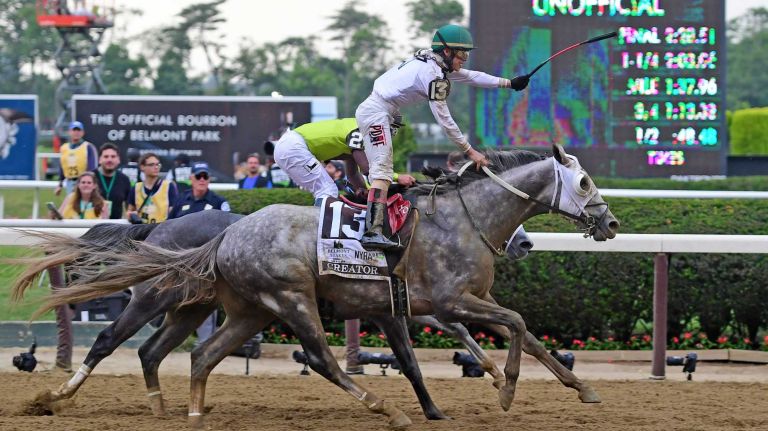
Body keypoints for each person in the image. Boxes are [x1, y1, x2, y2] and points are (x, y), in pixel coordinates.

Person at [355, 24, 528, 249]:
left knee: (384, 171)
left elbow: (471, 76)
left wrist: (508, 83)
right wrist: (470, 151)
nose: (465, 59)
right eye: (462, 53)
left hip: (382, 110)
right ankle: (372, 231)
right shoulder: (431, 73)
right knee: (382, 172)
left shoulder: (432, 62)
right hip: (376, 112)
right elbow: (445, 119)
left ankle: (379, 225)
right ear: (447, 52)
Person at [272, 117, 415, 206]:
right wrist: (398, 177)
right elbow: (367, 169)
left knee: (324, 190)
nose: (391, 136)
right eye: (391, 131)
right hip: (293, 146)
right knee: (327, 190)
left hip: (289, 146)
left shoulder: (359, 135)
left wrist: (364, 190)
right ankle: (318, 233)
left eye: (394, 132)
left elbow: (353, 174)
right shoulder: (358, 130)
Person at [47, 171, 108, 371]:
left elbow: (106, 227)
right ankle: (71, 309)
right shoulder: (70, 199)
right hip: (72, 252)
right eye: (83, 182)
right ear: (78, 184)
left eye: (89, 182)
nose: (86, 185)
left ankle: (75, 308)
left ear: (94, 185)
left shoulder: (102, 204)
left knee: (81, 288)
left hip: (91, 253)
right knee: (71, 289)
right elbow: (60, 220)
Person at [168, 162, 230, 344]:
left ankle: (205, 344)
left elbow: (229, 230)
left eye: (205, 176)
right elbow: (169, 226)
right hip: (178, 262)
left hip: (205, 264)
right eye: (198, 176)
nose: (202, 180)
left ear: (209, 179)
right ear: (191, 179)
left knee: (205, 302)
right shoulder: (181, 200)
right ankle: (171, 341)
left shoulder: (219, 202)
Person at [126, 153, 178, 224]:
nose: (156, 167)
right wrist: (131, 215)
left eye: (158, 164)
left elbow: (173, 212)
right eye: (151, 164)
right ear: (142, 167)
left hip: (162, 231)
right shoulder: (136, 188)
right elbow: (129, 211)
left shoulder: (169, 186)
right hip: (142, 231)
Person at [55, 121, 99, 196]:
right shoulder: (64, 148)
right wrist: (60, 184)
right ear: (69, 132)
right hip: (69, 182)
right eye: (74, 130)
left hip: (84, 183)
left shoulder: (88, 147)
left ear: (83, 132)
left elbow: (92, 168)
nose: (76, 132)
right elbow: (62, 166)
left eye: (78, 130)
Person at [92, 143, 132, 219]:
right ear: (100, 160)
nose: (109, 160)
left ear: (118, 160)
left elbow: (129, 207)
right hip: (91, 225)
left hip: (115, 227)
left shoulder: (124, 179)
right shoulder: (90, 177)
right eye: (106, 157)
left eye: (113, 157)